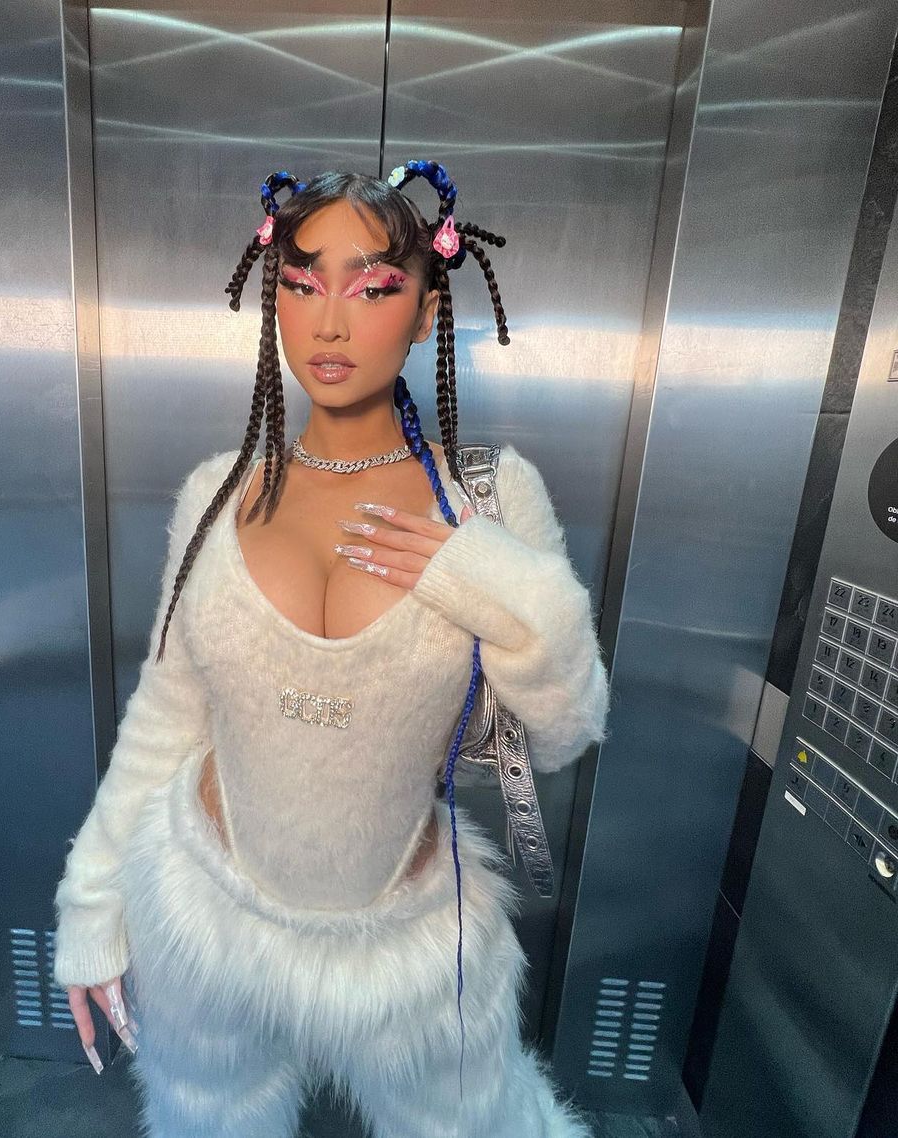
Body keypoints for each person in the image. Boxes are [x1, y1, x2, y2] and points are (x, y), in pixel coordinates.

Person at [52, 159, 610, 1138]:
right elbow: (168, 713)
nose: (332, 323)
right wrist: (91, 899)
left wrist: (479, 569)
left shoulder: (490, 496)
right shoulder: (217, 493)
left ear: (427, 311)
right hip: (203, 912)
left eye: (374, 286)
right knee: (207, 1122)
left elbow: (566, 731)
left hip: (413, 942)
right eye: (304, 285)